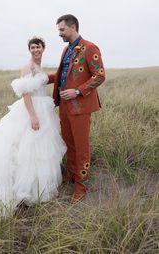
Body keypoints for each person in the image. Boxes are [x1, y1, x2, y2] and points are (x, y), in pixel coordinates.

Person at [0, 37, 66, 216]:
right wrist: (33, 116)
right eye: (33, 47)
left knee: (40, 149)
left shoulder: (39, 66)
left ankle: (35, 187)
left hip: (43, 108)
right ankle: (21, 189)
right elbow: (26, 93)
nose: (36, 49)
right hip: (33, 110)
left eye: (38, 46)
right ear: (29, 50)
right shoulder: (28, 67)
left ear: (43, 48)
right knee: (26, 147)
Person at [48, 14, 105, 202]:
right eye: (59, 30)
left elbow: (100, 75)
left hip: (80, 106)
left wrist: (77, 91)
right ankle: (71, 175)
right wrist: (41, 78)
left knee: (81, 147)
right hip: (64, 105)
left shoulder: (90, 48)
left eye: (61, 30)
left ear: (73, 28)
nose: (60, 34)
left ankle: (81, 186)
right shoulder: (66, 50)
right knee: (68, 143)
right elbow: (61, 75)